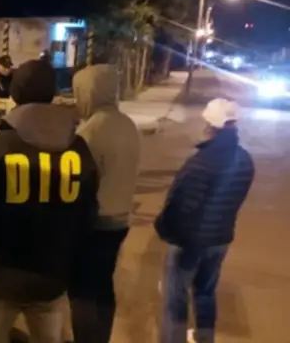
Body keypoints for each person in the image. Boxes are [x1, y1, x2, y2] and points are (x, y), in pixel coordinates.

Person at [0, 60, 99, 343]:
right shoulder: (80, 150)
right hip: (52, 277)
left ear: (15, 95)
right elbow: (88, 211)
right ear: (52, 94)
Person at [155, 98, 254, 343]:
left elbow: (178, 205)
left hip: (189, 242)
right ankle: (205, 338)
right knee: (206, 293)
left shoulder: (200, 163)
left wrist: (164, 229)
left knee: (176, 297)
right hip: (220, 238)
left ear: (211, 126)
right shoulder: (244, 160)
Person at [69, 64, 141, 343]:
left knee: (82, 291)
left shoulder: (92, 131)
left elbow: (80, 181)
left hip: (95, 222)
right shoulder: (127, 124)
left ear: (90, 92)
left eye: (79, 92)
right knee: (102, 285)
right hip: (120, 220)